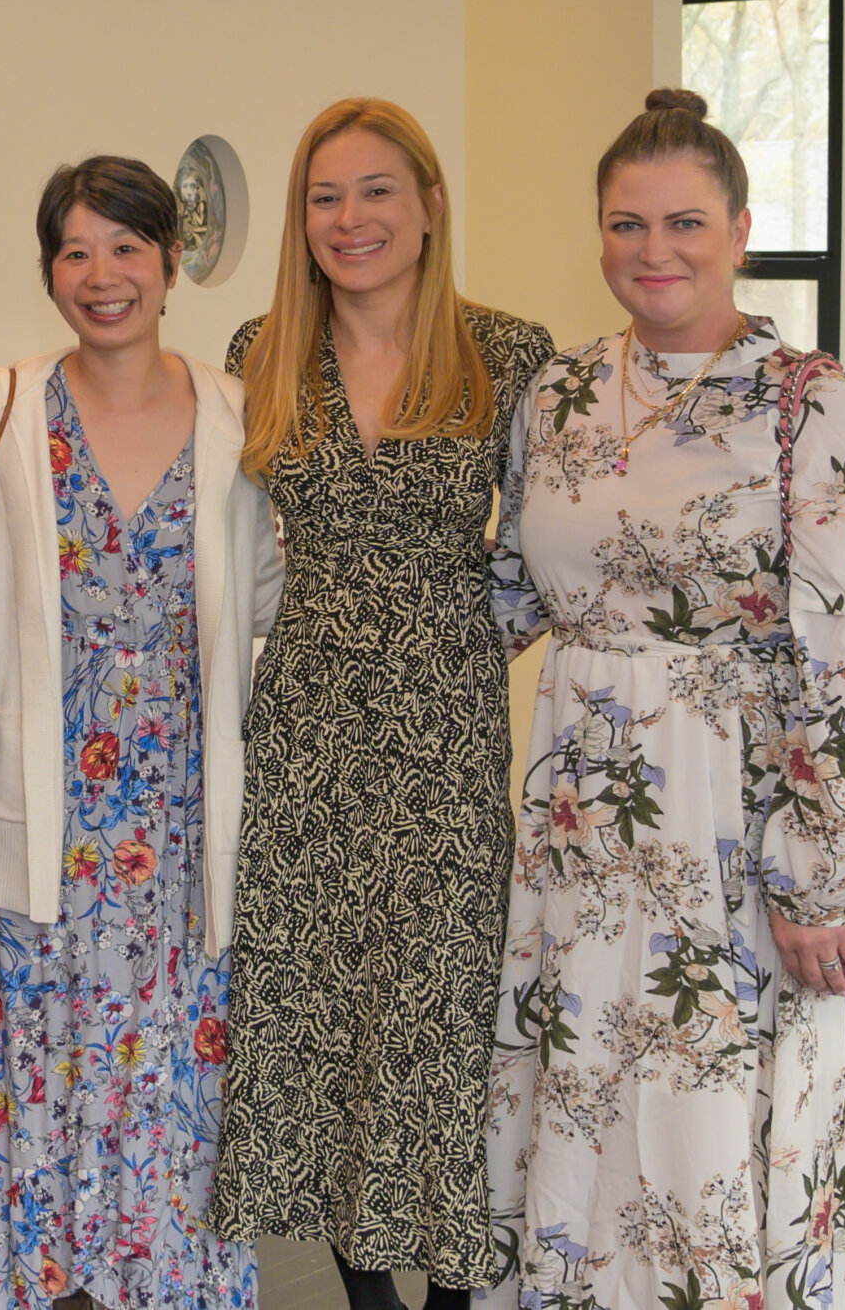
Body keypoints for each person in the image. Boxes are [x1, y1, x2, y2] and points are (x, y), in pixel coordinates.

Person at [484, 89, 845, 1309]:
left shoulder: (808, 401)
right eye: (625, 224)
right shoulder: (558, 395)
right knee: (583, 1090)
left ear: (739, 228)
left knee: (703, 1107)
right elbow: (512, 591)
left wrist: (824, 871)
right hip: (576, 814)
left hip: (731, 817)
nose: (651, 251)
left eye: (681, 222)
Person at [208, 99, 553, 1310]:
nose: (349, 220)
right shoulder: (262, 350)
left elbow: (551, 546)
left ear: (429, 204)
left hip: (446, 736)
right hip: (300, 731)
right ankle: (362, 1298)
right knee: (319, 1016)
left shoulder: (508, 354)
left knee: (437, 1022)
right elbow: (234, 545)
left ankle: (452, 1296)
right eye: (324, 197)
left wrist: (460, 633)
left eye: (374, 192)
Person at [0, 158, 281, 1310]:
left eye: (126, 246)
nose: (101, 274)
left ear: (170, 263)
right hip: (37, 830)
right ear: (48, 273)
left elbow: (270, 603)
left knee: (173, 1112)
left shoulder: (239, 420)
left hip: (183, 835)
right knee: (33, 1104)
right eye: (74, 251)